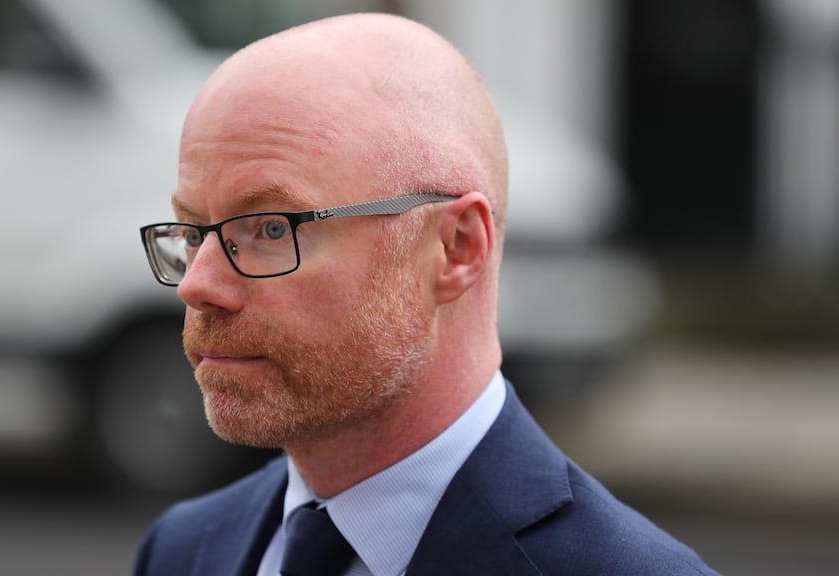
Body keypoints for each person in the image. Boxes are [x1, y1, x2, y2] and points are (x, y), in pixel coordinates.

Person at [133, 12, 717, 576]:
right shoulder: (182, 550)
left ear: (456, 248)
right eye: (191, 231)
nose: (197, 284)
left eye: (270, 228)